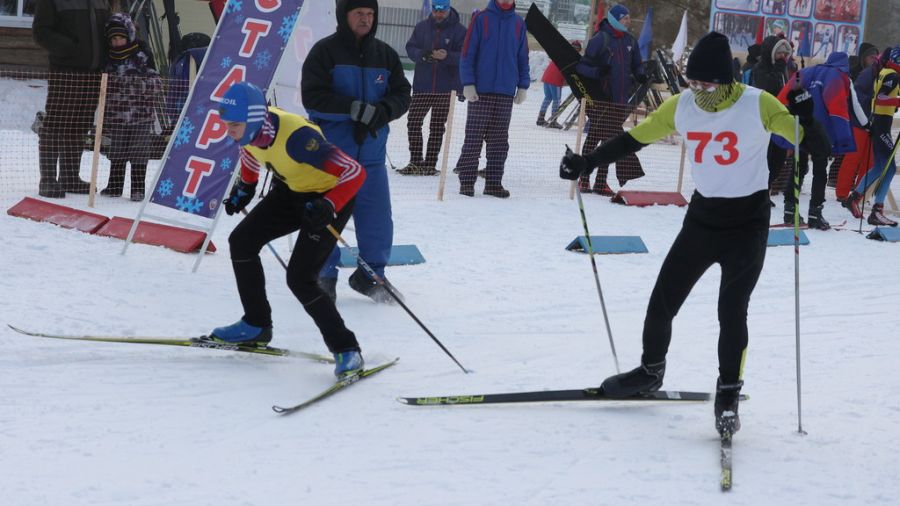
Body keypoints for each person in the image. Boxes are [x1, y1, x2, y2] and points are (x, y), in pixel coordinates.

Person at [559, 32, 829, 436]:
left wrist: (807, 119)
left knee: (731, 310)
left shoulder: (758, 102)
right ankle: (651, 371)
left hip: (747, 221)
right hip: (703, 217)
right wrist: (588, 161)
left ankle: (728, 394)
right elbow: (635, 138)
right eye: (693, 82)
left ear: (727, 79)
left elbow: (819, 149)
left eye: (707, 83)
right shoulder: (683, 105)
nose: (699, 91)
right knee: (663, 298)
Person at [209, 82, 369, 378]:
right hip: (292, 190)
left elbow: (355, 172)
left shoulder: (298, 138)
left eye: (233, 125)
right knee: (241, 242)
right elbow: (248, 152)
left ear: (255, 118)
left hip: (329, 197)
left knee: (300, 278)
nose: (228, 131)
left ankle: (346, 349)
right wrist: (247, 186)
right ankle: (256, 324)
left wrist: (330, 205)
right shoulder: (251, 132)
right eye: (226, 124)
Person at [302, 0, 411, 303]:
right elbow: (312, 98)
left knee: (377, 220)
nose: (365, 19)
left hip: (372, 157)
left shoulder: (385, 55)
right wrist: (353, 110)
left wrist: (383, 110)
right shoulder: (324, 52)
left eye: (370, 14)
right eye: (358, 14)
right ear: (344, 15)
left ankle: (370, 275)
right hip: (333, 158)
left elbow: (403, 94)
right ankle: (323, 274)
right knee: (326, 217)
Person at [774, 51, 868, 229]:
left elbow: (783, 97)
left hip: (798, 126)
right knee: (820, 171)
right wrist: (845, 136)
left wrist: (780, 123)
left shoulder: (806, 71)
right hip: (820, 132)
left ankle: (789, 210)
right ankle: (815, 214)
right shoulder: (840, 77)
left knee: (798, 166)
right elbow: (838, 107)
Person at [32, 0, 111, 198]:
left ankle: (69, 177)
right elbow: (41, 32)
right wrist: (69, 48)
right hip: (65, 71)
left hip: (94, 72)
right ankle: (48, 180)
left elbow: (107, 28)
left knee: (80, 124)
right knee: (57, 122)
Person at [454, 0, 530, 199]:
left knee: (499, 141)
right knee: (474, 138)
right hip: (481, 91)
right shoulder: (481, 19)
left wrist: (523, 85)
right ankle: (467, 182)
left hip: (505, 92)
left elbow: (523, 57)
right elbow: (467, 54)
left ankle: (494, 183)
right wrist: (468, 82)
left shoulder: (519, 24)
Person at [575, 3, 647, 196]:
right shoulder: (601, 39)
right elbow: (581, 67)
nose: (628, 21)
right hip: (602, 98)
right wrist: (598, 71)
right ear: (615, 19)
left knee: (608, 141)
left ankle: (600, 182)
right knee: (599, 139)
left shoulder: (631, 40)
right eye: (625, 18)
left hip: (620, 101)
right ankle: (585, 179)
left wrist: (640, 75)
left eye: (628, 18)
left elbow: (637, 64)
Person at [99, 12, 162, 202]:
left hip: (140, 116)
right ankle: (115, 186)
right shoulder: (109, 59)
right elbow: (104, 85)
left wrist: (137, 85)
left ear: (129, 36)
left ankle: (138, 188)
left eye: (121, 38)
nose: (118, 42)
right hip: (117, 115)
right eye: (114, 39)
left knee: (138, 152)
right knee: (116, 150)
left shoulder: (142, 56)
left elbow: (157, 84)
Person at [398, 0, 466, 176]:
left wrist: (447, 56)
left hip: (446, 89)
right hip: (423, 86)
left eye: (442, 10)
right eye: (436, 9)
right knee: (413, 122)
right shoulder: (421, 27)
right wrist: (424, 55)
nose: (439, 13)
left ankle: (429, 164)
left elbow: (465, 56)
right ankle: (415, 161)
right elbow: (410, 47)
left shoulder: (460, 31)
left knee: (437, 126)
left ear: (448, 9)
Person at [845, 45, 900, 227]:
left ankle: (855, 197)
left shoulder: (886, 71)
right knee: (889, 167)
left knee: (882, 166)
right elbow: (882, 98)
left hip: (879, 123)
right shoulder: (892, 74)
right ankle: (876, 210)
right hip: (882, 126)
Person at [753, 35, 793, 203]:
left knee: (778, 159)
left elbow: (785, 91)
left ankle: (766, 188)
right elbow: (768, 88)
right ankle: (758, 193)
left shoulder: (783, 68)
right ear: (771, 52)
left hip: (780, 118)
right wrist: (778, 69)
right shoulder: (760, 68)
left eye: (786, 53)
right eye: (779, 53)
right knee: (765, 158)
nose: (783, 57)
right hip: (763, 119)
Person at [538, 41, 579, 129]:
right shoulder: (572, 57)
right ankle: (553, 120)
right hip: (555, 79)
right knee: (557, 100)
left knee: (548, 97)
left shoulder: (562, 52)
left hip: (547, 76)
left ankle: (540, 118)